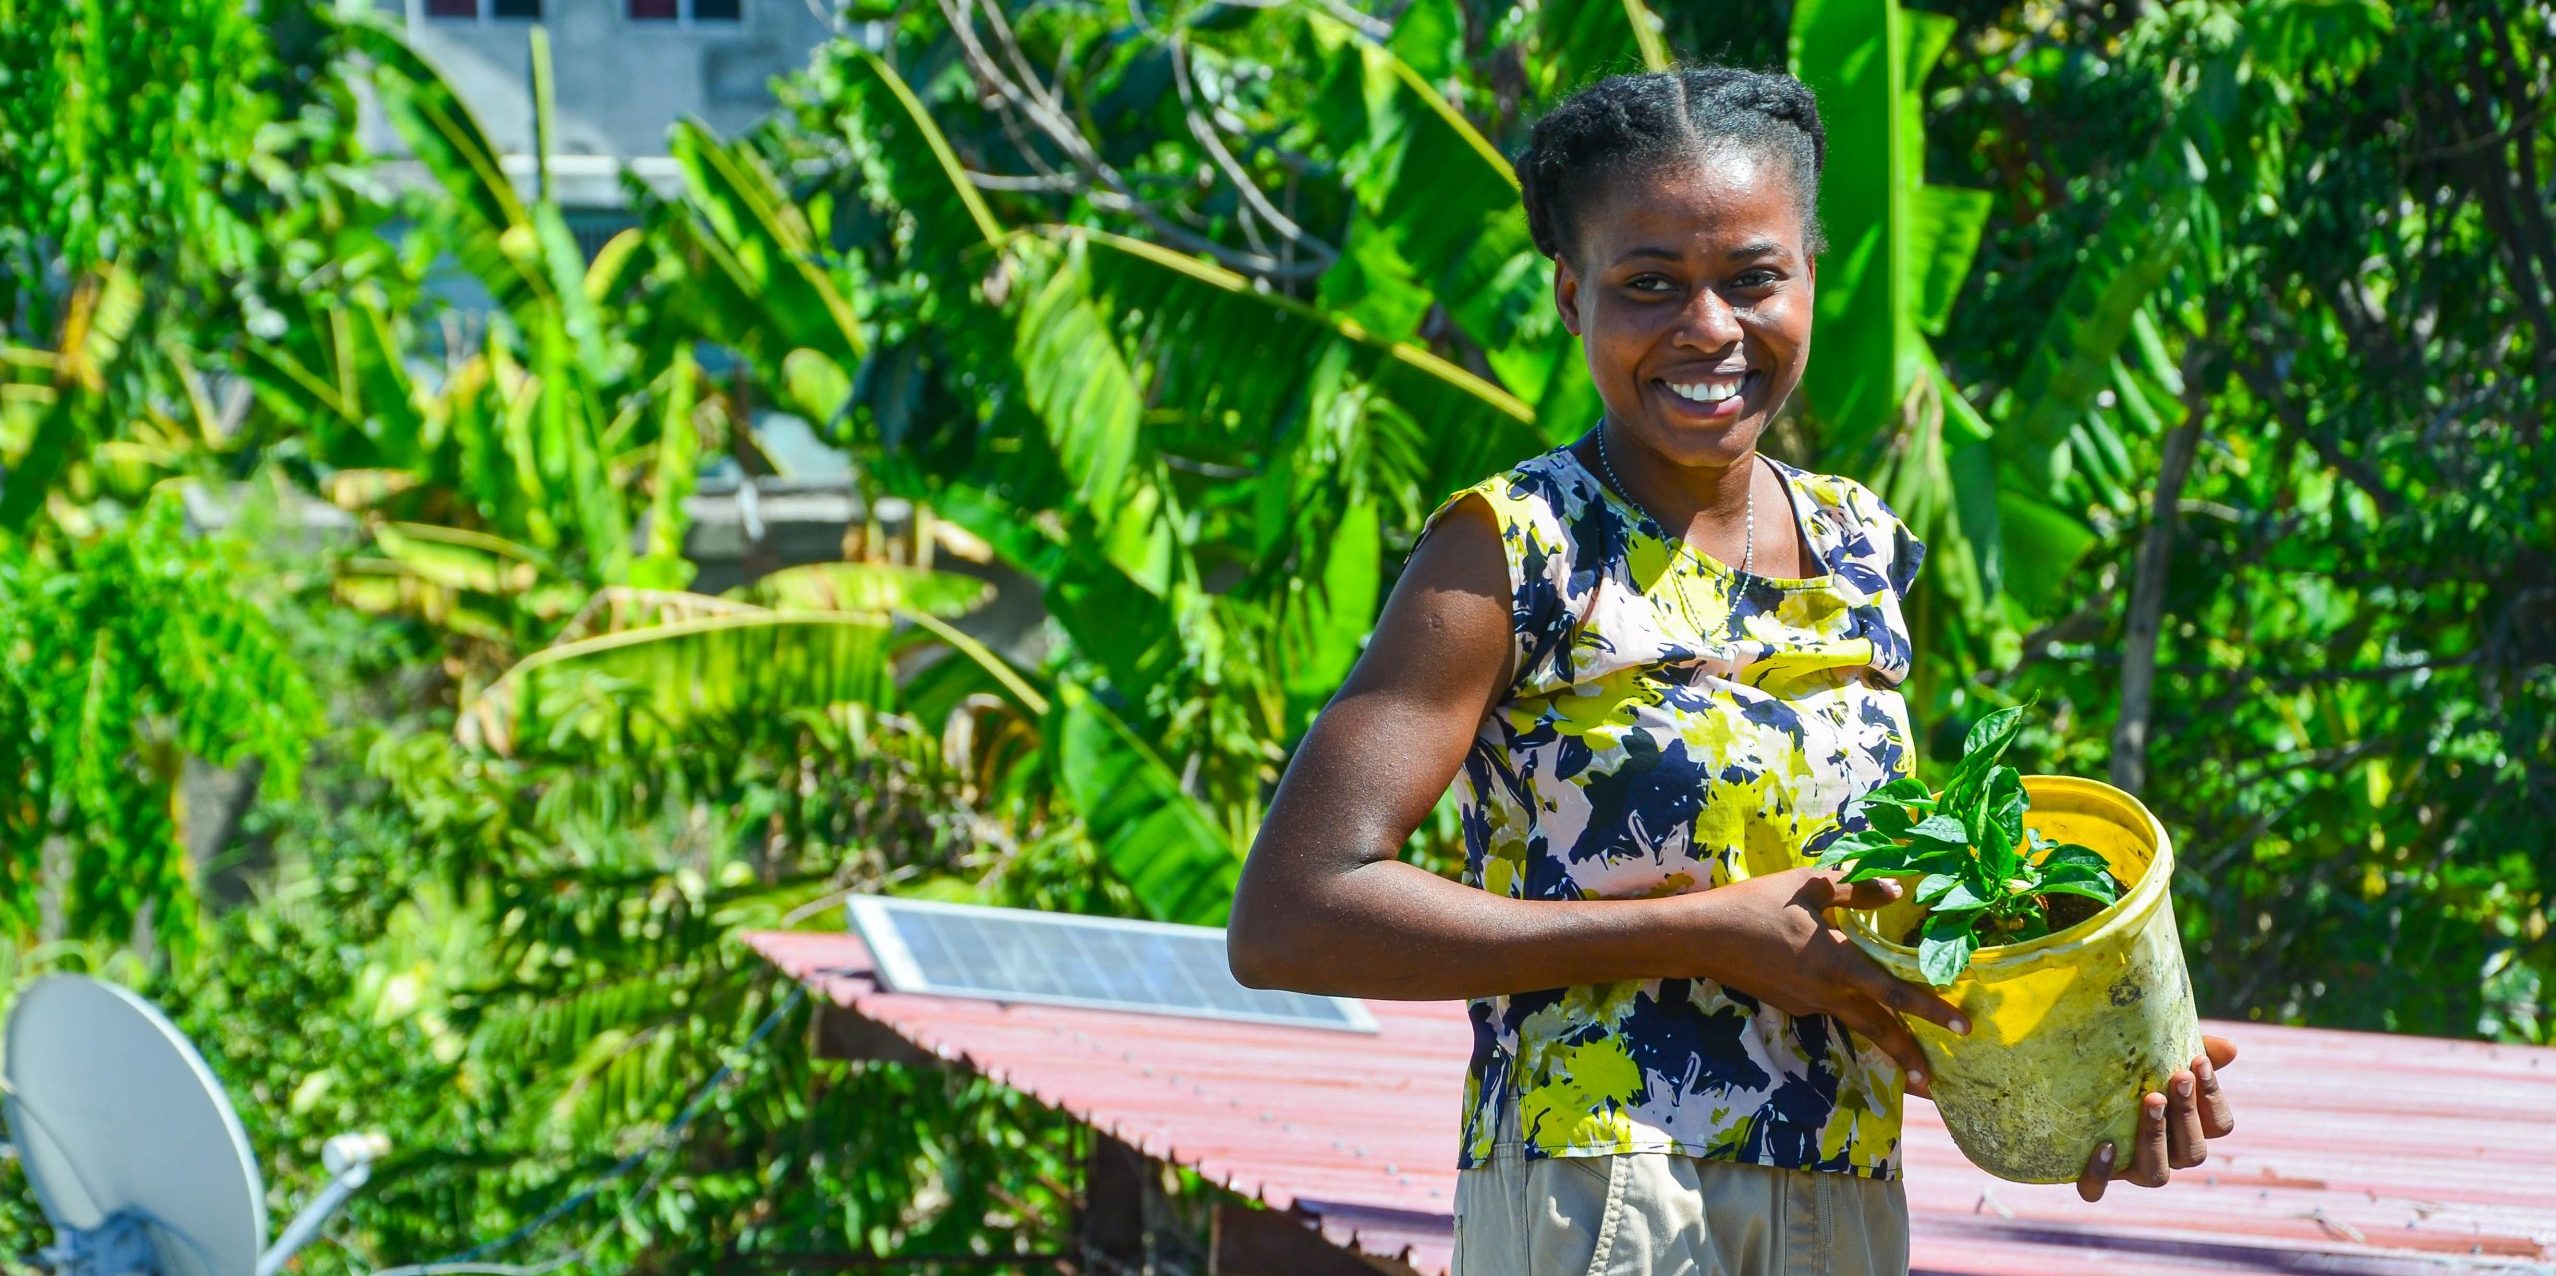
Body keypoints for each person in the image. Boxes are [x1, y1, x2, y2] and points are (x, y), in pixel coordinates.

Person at [1226, 65, 2237, 1275]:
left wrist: (2088, 1067)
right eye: (1650, 284)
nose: (1710, 329)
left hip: (1846, 1195)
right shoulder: (1516, 549)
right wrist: (1704, 933)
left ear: (1809, 271)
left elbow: (1859, 935)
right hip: (1608, 1185)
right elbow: (1292, 914)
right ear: (1573, 296)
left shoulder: (1861, 546)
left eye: (1753, 278)